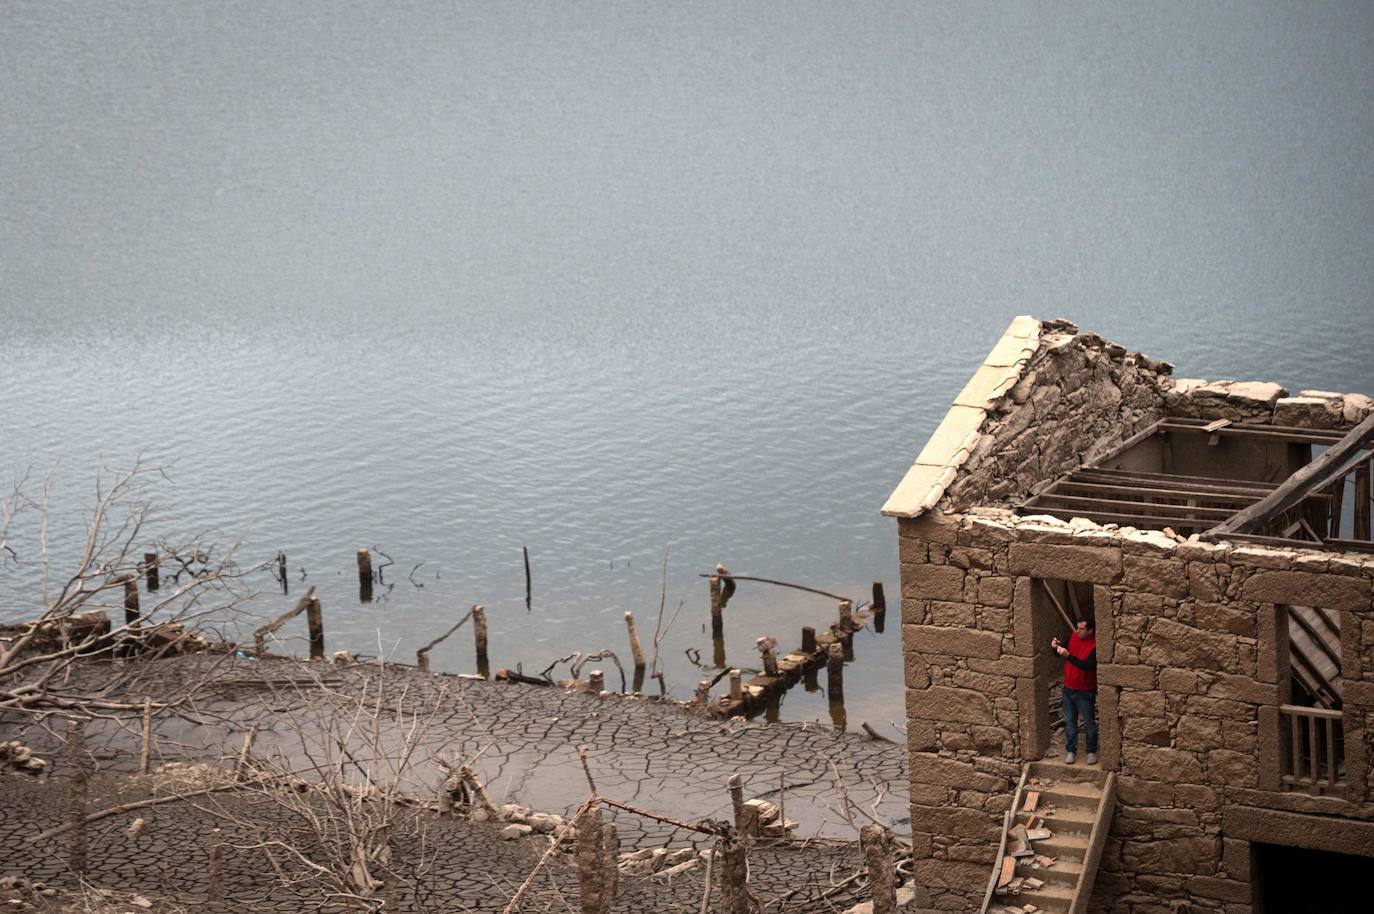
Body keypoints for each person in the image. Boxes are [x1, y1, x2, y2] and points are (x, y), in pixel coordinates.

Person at [1052, 618, 1098, 765]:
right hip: (1069, 688)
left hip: (1085, 691)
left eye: (1081, 629)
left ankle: (1091, 751)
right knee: (1070, 721)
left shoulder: (1094, 646)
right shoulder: (1073, 637)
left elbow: (1087, 665)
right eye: (1077, 627)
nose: (1077, 631)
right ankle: (1071, 751)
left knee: (1089, 722)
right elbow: (1059, 654)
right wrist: (1055, 647)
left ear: (1090, 630)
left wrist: (1068, 656)